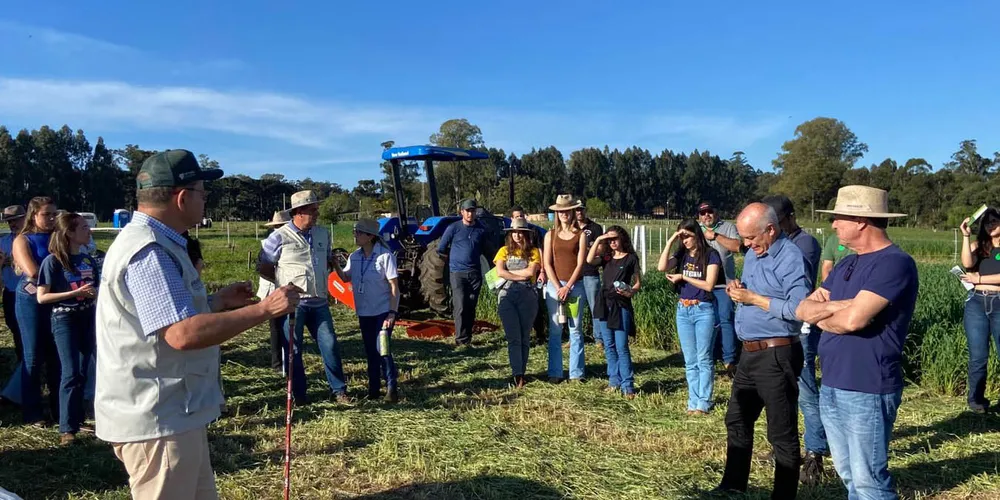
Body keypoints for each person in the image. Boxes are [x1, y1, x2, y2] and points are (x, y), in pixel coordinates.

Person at [95, 149, 300, 499]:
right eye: (204, 194)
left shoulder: (158, 245)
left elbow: (166, 316)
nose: (206, 202)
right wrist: (265, 309)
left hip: (173, 414)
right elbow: (182, 334)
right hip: (158, 419)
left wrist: (216, 303)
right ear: (181, 197)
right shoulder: (150, 251)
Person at [796, 185, 917, 500]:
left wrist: (828, 313)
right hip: (834, 382)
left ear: (861, 220)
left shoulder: (894, 263)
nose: (833, 225)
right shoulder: (848, 264)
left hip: (868, 385)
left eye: (838, 218)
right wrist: (840, 307)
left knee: (868, 481)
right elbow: (804, 308)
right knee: (849, 473)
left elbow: (854, 321)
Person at [714, 203, 811, 499]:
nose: (746, 244)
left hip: (776, 353)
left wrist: (753, 298)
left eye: (751, 237)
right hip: (750, 354)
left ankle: (783, 495)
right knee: (737, 419)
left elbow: (799, 308)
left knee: (781, 432)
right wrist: (739, 290)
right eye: (743, 238)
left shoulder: (791, 257)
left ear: (770, 229)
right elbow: (756, 291)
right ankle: (733, 485)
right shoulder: (756, 256)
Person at [259, 190, 349, 404]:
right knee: (293, 350)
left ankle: (339, 391)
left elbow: (327, 260)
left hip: (319, 302)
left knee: (330, 345)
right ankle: (299, 395)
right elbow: (263, 266)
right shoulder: (279, 236)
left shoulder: (323, 234)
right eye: (312, 210)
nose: (317, 214)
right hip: (293, 305)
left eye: (316, 210)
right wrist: (283, 285)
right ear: (298, 212)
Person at [762, 194, 827, 483]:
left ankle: (815, 453)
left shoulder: (805, 244)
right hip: (776, 325)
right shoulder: (775, 246)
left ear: (789, 217)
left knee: (806, 390)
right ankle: (785, 448)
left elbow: (786, 283)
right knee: (780, 391)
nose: (771, 229)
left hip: (800, 327)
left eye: (774, 222)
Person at [35, 213, 99, 445]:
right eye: (83, 227)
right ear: (69, 233)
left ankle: (78, 418)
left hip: (87, 318)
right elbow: (42, 297)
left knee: (83, 371)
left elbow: (97, 288)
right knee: (70, 372)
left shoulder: (87, 260)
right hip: (65, 320)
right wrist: (74, 294)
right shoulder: (52, 262)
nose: (88, 230)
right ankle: (66, 429)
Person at [331, 219, 401, 402]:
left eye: (360, 232)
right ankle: (373, 389)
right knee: (370, 351)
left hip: (382, 311)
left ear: (370, 237)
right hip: (364, 312)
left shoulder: (385, 256)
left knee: (382, 349)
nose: (356, 235)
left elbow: (394, 287)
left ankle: (391, 387)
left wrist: (392, 313)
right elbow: (346, 278)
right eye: (355, 232)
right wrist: (335, 264)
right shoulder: (354, 257)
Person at [657, 219, 721, 415]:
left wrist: (683, 277)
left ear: (697, 235)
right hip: (683, 310)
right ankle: (693, 400)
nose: (684, 240)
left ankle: (704, 401)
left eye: (687, 236)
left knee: (703, 358)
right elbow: (662, 267)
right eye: (681, 237)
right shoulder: (681, 254)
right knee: (690, 359)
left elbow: (709, 285)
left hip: (703, 308)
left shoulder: (711, 255)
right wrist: (670, 242)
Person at [11, 196, 60, 425]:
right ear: (34, 215)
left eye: (54, 214)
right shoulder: (23, 240)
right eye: (46, 214)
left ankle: (60, 410)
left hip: (56, 297)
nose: (51, 218)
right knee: (32, 356)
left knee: (56, 355)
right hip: (31, 298)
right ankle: (32, 412)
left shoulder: (58, 237)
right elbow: (33, 271)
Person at [587, 225, 641, 398]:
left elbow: (637, 283)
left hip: (621, 304)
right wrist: (599, 240)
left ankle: (628, 385)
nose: (612, 243)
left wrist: (631, 291)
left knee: (621, 346)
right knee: (608, 345)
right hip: (604, 303)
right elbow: (589, 260)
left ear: (622, 239)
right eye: (609, 240)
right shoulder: (606, 257)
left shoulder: (631, 258)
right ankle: (614, 381)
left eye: (615, 239)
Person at [543, 195, 588, 383]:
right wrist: (558, 286)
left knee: (575, 329)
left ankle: (576, 373)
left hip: (575, 287)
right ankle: (555, 372)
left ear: (572, 212)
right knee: (555, 330)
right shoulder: (549, 235)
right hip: (554, 287)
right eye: (560, 211)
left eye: (566, 211)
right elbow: (547, 262)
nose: (563, 215)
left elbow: (580, 263)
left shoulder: (581, 235)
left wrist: (568, 286)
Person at [960, 207, 1000, 414]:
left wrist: (980, 279)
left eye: (994, 221)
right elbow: (967, 263)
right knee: (978, 356)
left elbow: (977, 276)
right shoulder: (979, 246)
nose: (991, 225)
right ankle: (976, 401)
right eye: (987, 222)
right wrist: (966, 237)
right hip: (976, 303)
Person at [492, 218, 541, 388]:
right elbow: (500, 272)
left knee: (524, 336)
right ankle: (517, 373)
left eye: (521, 232)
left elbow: (530, 272)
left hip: (528, 296)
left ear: (526, 235)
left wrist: (511, 273)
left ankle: (522, 370)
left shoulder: (534, 252)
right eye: (514, 233)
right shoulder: (503, 251)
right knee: (513, 336)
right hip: (507, 295)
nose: (517, 236)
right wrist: (520, 275)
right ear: (510, 235)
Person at [697, 202, 743, 375]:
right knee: (708, 321)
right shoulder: (696, 229)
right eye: (702, 213)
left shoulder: (727, 227)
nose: (706, 215)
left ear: (715, 213)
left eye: (709, 212)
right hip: (702, 284)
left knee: (726, 320)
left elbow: (738, 246)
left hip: (724, 284)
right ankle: (711, 357)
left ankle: (729, 360)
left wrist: (715, 236)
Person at [437, 199, 489, 348]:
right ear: (462, 212)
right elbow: (441, 248)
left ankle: (468, 337)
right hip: (458, 273)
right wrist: (452, 261)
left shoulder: (481, 229)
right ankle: (460, 340)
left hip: (474, 273)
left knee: (471, 306)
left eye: (473, 211)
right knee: (460, 306)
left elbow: (488, 249)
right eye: (468, 211)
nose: (470, 213)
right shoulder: (453, 228)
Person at [257, 210, 291, 374]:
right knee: (276, 328)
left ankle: (286, 361)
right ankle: (278, 364)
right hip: (272, 289)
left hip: (284, 290)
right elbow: (261, 269)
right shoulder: (268, 244)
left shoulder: (291, 241)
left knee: (284, 326)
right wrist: (279, 280)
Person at [0, 205, 26, 404]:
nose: (12, 224)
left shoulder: (30, 240)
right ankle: (22, 368)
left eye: (16, 219)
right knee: (16, 332)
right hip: (10, 293)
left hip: (30, 294)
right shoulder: (3, 242)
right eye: (9, 221)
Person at [511, 206, 547, 345]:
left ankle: (540, 334)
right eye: (516, 216)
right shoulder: (510, 235)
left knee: (536, 304)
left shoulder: (534, 231)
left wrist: (543, 271)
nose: (519, 218)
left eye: (521, 215)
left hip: (533, 274)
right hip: (514, 277)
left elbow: (540, 251)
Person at [574, 201, 607, 346]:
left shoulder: (595, 228)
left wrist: (585, 248)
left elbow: (600, 248)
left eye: (581, 210)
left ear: (585, 210)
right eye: (576, 210)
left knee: (595, 306)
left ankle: (598, 338)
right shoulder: (571, 228)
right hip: (574, 272)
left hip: (590, 271)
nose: (579, 212)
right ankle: (574, 337)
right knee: (574, 308)